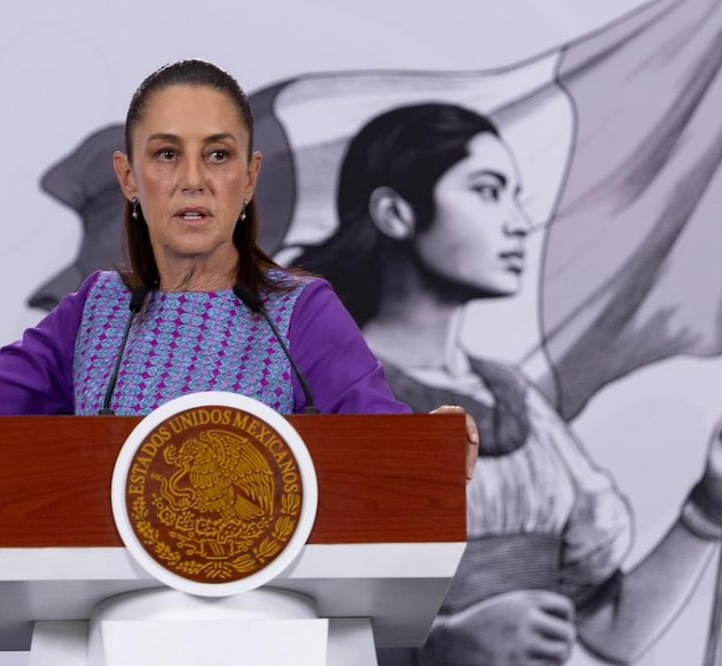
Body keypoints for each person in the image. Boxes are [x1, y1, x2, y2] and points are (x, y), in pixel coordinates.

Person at [0, 60, 480, 481]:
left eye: (219, 155)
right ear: (128, 177)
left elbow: (390, 452)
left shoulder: (301, 311)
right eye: (167, 154)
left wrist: (436, 444)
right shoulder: (94, 314)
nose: (194, 180)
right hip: (112, 626)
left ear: (250, 177)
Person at [295, 102, 722, 665]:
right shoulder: (319, 392)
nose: (519, 222)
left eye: (515, 195)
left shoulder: (517, 399)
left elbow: (612, 632)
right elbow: (261, 627)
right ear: (395, 213)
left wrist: (709, 506)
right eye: (488, 191)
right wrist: (439, 647)